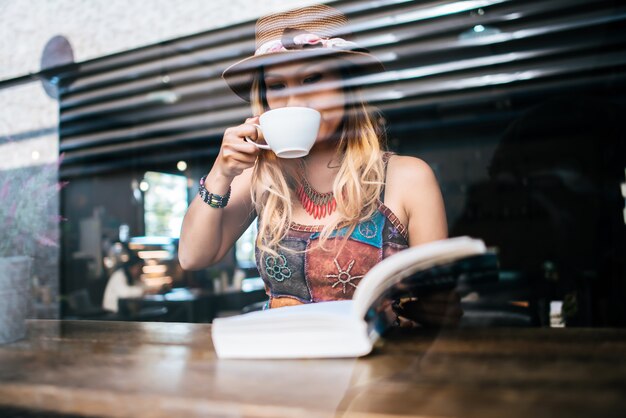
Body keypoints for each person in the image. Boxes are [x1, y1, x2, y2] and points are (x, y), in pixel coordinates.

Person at [180, 4, 460, 327]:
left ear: (345, 83)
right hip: (281, 370)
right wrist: (221, 173)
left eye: (312, 79)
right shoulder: (263, 177)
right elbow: (192, 256)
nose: (293, 100)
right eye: (278, 85)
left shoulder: (408, 178)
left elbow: (439, 317)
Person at [102, 245, 145, 313]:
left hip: (123, 310)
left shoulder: (130, 276)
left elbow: (140, 287)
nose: (141, 271)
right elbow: (124, 293)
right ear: (132, 267)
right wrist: (143, 291)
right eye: (140, 268)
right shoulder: (119, 275)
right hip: (112, 312)